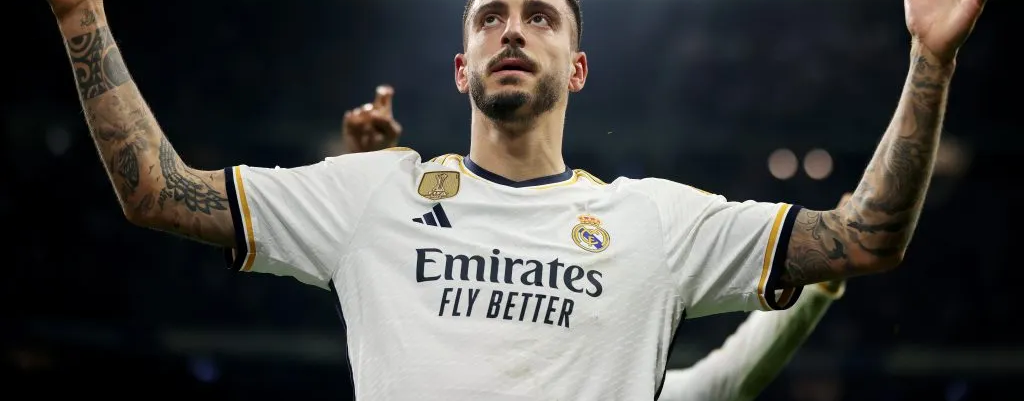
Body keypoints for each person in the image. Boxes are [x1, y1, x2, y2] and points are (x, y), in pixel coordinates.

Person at [13, 0, 997, 401]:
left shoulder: (654, 219)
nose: (512, 28)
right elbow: (155, 190)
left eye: (538, 17)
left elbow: (865, 236)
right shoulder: (376, 197)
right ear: (460, 67)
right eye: (489, 18)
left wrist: (931, 61)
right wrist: (80, 19)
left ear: (576, 68)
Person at [341, 86, 848, 401]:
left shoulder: (617, 383)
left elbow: (727, 382)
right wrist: (377, 186)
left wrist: (821, 282)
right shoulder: (451, 358)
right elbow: (394, 297)